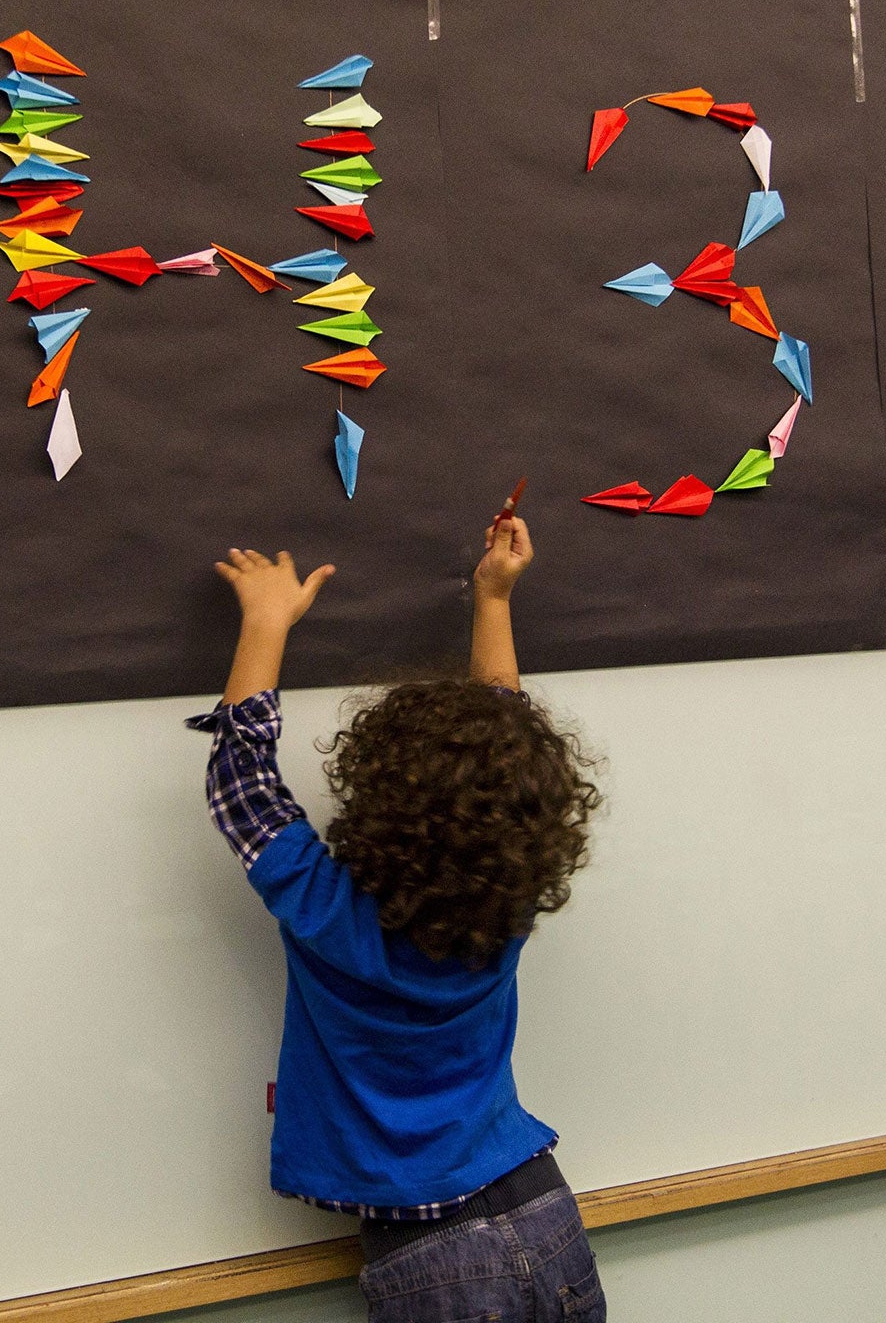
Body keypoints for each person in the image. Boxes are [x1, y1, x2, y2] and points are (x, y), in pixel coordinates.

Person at [186, 515, 607, 1322]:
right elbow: (503, 752)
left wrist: (265, 622)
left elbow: (241, 779)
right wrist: (493, 599)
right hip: (545, 1210)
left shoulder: (325, 907)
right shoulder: (504, 900)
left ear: (377, 798)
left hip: (432, 1259)